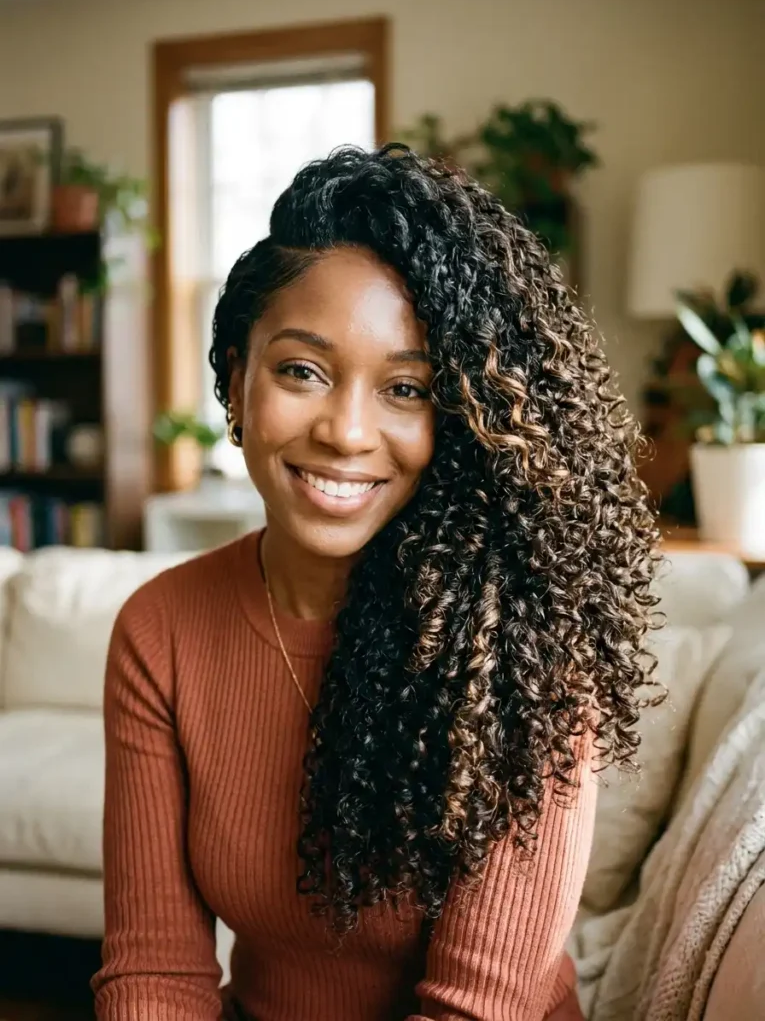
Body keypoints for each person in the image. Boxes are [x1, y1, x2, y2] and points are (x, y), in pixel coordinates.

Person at [92, 145, 659, 1021]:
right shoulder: (159, 629)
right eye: (301, 371)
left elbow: (475, 1010)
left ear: (464, 421)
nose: (347, 432)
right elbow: (155, 970)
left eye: (406, 388)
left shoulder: (521, 650)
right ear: (235, 380)